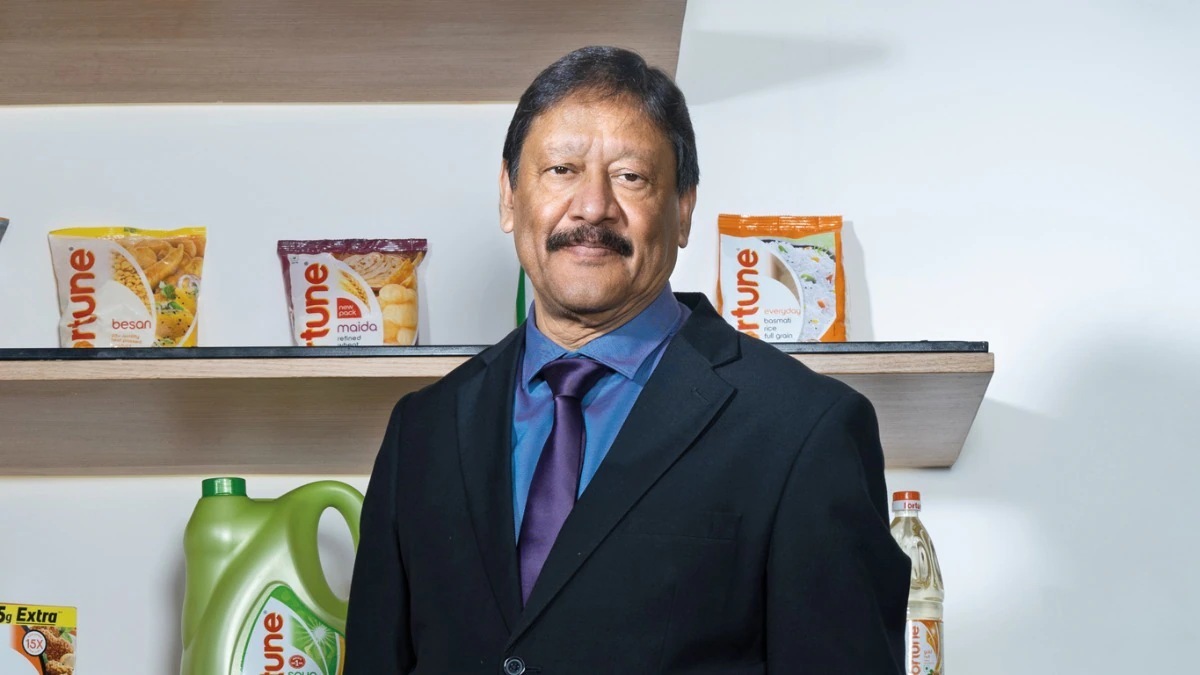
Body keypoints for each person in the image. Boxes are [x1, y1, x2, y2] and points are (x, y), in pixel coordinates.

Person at [345, 45, 910, 674]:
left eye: (631, 177)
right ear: (509, 196)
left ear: (683, 208)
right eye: (561, 169)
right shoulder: (422, 429)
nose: (593, 207)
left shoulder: (804, 429)